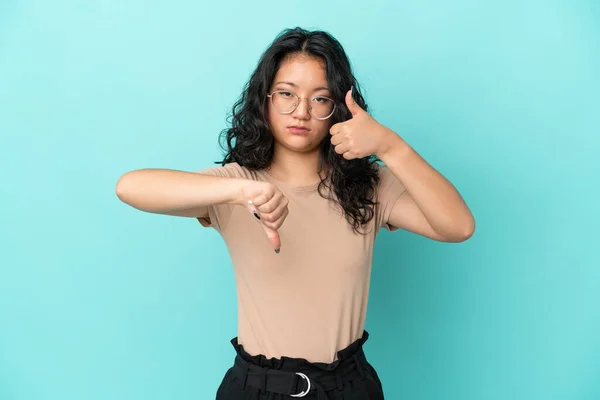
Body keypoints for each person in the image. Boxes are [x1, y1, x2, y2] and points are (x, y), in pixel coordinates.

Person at [115, 27, 475, 400]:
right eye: (286, 94)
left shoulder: (370, 187)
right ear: (265, 99)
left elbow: (459, 226)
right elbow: (129, 187)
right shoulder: (236, 185)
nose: (301, 112)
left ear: (338, 107)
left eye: (319, 99)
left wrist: (389, 145)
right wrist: (241, 191)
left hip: (349, 387)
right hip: (257, 386)